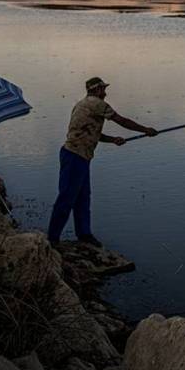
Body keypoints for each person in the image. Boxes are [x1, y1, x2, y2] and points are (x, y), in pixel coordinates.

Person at [47, 76, 157, 247]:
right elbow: (122, 120)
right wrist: (146, 130)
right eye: (103, 89)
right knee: (67, 198)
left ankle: (84, 234)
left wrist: (113, 140)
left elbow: (91, 133)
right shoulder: (97, 104)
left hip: (79, 156)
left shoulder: (82, 104)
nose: (105, 93)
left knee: (83, 198)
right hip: (74, 156)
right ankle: (52, 239)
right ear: (96, 90)